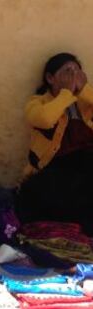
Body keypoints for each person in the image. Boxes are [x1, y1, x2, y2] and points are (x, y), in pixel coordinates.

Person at [16, 52, 93, 235]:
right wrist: (66, 93)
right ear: (50, 78)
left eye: (76, 71)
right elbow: (44, 119)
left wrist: (83, 90)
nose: (73, 75)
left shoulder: (86, 102)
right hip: (54, 169)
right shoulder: (38, 102)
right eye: (67, 71)